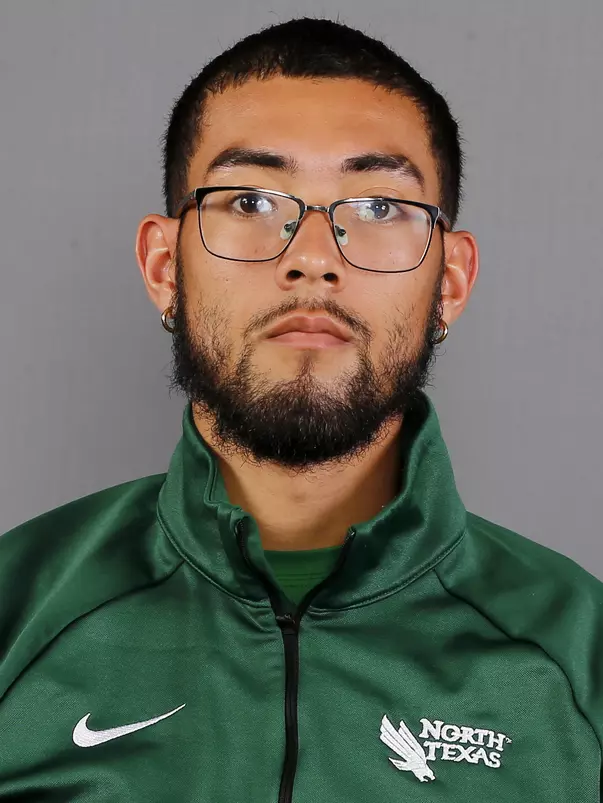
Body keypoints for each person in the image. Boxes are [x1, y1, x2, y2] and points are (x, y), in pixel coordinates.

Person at [0, 16, 601, 802]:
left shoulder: (577, 660)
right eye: (249, 198)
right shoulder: (18, 614)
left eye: (379, 207)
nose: (311, 257)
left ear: (448, 281)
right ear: (162, 266)